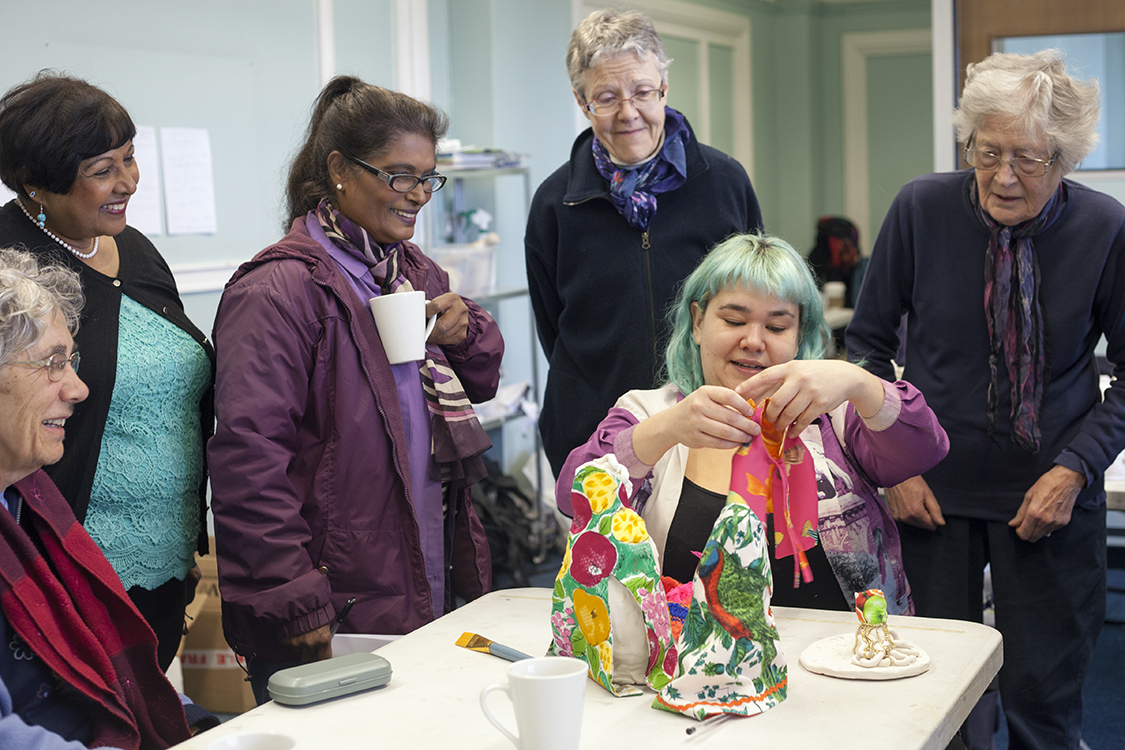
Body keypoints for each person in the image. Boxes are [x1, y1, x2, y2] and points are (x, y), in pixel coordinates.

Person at [846, 50, 1125, 749]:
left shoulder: (1103, 228)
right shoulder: (920, 207)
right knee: (934, 705)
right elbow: (864, 355)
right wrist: (894, 469)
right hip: (930, 503)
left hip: (1051, 503)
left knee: (1044, 708)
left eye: (1027, 159)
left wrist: (1072, 472)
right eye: (986, 151)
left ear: (1063, 159)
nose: (1002, 177)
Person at [208, 76, 502, 704]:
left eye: (428, 178)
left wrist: (466, 325)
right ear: (339, 169)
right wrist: (293, 599)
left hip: (426, 569)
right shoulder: (277, 291)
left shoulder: (415, 270)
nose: (419, 195)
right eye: (401, 176)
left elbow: (480, 381)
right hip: (334, 594)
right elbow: (248, 461)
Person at [559, 234, 949, 613]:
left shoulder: (837, 414)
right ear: (697, 322)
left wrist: (859, 382)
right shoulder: (647, 412)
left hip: (846, 662)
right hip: (696, 671)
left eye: (777, 327)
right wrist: (667, 430)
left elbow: (924, 449)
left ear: (800, 335)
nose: (754, 341)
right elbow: (572, 496)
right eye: (733, 320)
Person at [0, 72, 214, 671]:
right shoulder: (8, 264)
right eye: (103, 170)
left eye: (130, 158)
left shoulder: (137, 248)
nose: (129, 182)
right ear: (36, 184)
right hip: (65, 565)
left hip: (166, 557)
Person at [526, 8, 763, 479]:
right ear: (582, 100)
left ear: (664, 90)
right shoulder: (556, 204)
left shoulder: (725, 183)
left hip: (712, 432)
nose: (629, 112)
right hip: (596, 441)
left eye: (642, 92)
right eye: (607, 97)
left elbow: (758, 301)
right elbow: (553, 329)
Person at [0, 247, 216, 749]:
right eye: (54, 364)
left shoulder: (31, 505)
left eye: (70, 361)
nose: (77, 388)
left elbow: (101, 659)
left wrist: (198, 724)